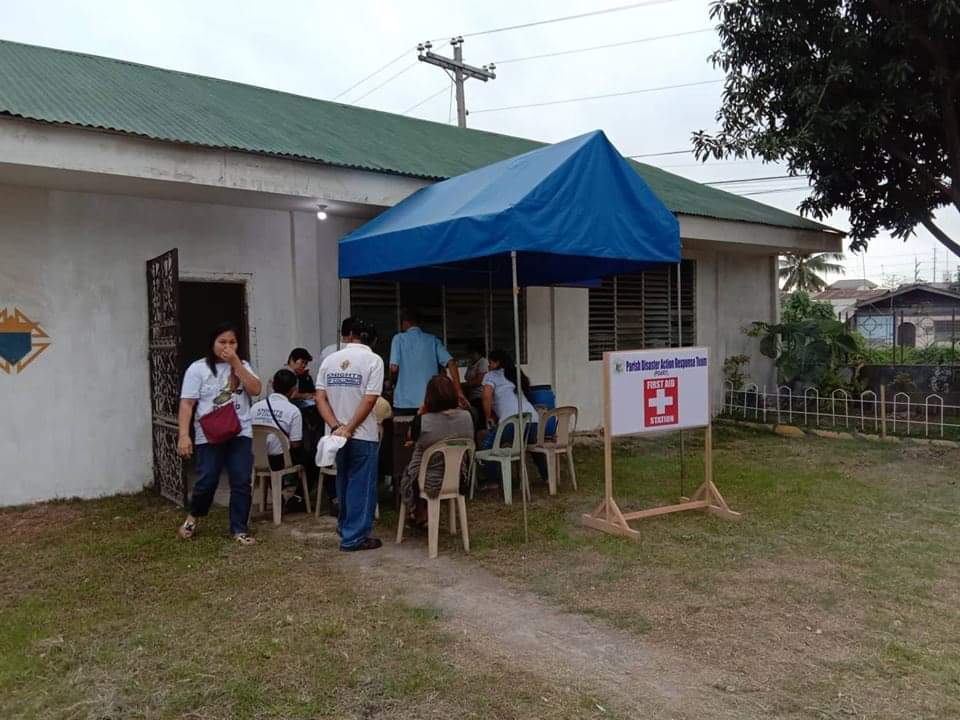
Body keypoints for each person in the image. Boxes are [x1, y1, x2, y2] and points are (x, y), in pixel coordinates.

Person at [176, 322, 262, 544]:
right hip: (209, 433)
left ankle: (239, 529)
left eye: (232, 342)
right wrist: (184, 435)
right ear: (212, 343)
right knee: (207, 479)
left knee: (242, 480)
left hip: (240, 431)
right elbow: (187, 404)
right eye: (222, 342)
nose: (227, 346)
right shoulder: (198, 369)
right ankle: (194, 515)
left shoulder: (242, 365)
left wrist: (236, 364)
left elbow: (255, 389)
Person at [315, 317, 385, 552]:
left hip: (336, 435)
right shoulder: (373, 360)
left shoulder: (330, 360)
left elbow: (320, 397)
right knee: (361, 485)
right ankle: (355, 537)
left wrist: (336, 426)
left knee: (343, 481)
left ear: (345, 335)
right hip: (362, 434)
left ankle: (345, 526)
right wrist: (351, 427)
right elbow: (370, 399)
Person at [400, 375, 474, 526]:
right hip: (458, 478)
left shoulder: (423, 422)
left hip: (426, 482)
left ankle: (418, 511)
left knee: (413, 468)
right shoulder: (467, 417)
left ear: (429, 397)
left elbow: (411, 436)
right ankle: (422, 513)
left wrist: (420, 412)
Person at [479, 349, 548, 485]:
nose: (488, 366)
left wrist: (488, 416)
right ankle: (546, 476)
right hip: (533, 421)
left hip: (511, 423)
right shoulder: (516, 374)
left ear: (497, 363)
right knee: (530, 444)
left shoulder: (491, 376)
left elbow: (486, 397)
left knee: (487, 445)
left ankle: (493, 481)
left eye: (490, 363)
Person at [389, 307, 467, 416]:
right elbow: (451, 362)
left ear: (405, 322)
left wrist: (392, 383)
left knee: (406, 431)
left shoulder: (398, 339)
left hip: (404, 401)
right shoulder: (433, 340)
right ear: (419, 323)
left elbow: (393, 368)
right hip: (430, 401)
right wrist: (458, 391)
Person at [251, 368, 303, 468]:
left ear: (273, 385)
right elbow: (295, 444)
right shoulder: (293, 411)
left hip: (255, 459)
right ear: (293, 390)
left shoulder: (255, 407)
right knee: (309, 457)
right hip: (280, 461)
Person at [462, 341, 489, 430]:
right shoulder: (471, 363)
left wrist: (464, 385)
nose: (470, 355)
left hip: (479, 395)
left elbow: (479, 381)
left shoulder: (483, 362)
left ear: (478, 352)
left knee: (479, 418)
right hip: (470, 395)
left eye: (472, 353)